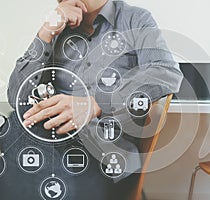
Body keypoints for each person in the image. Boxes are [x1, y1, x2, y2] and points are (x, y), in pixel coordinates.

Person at [1, 0, 183, 199]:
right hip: (48, 139)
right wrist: (45, 33)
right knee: (19, 127)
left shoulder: (135, 20)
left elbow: (165, 72)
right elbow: (16, 97)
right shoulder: (58, 28)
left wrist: (95, 103)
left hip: (102, 152)